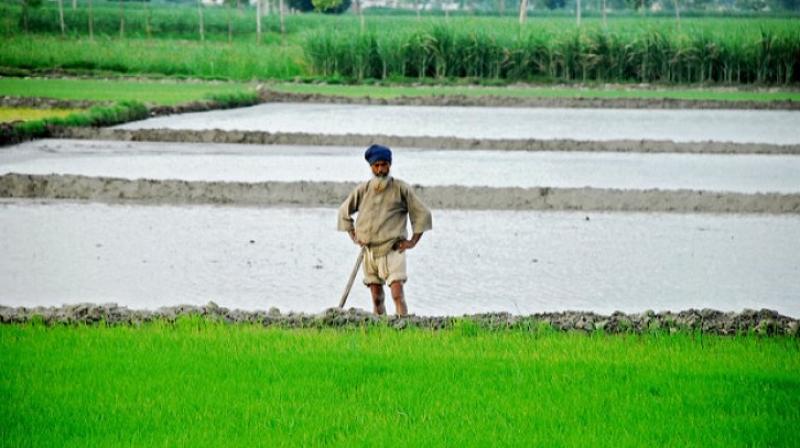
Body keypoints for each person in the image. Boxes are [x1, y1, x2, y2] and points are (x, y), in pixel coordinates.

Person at [337, 144, 433, 316]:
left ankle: (403, 325)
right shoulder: (363, 189)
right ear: (371, 167)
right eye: (377, 165)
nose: (380, 169)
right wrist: (354, 236)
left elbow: (422, 214)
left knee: (397, 294)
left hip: (393, 250)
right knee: (377, 298)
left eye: (384, 164)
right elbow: (344, 212)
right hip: (369, 252)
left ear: (390, 165)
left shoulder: (401, 188)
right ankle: (380, 330)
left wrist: (412, 242)